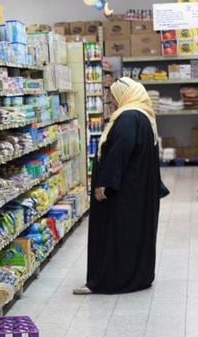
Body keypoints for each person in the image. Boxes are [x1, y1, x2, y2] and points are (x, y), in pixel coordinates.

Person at [74, 77, 167, 295]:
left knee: (117, 233)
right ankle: (138, 276)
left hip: (124, 192)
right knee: (135, 234)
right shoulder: (143, 116)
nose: (112, 103)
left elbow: (120, 151)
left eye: (113, 97)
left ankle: (110, 280)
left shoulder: (128, 117)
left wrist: (105, 182)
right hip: (137, 190)